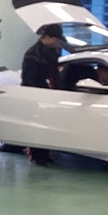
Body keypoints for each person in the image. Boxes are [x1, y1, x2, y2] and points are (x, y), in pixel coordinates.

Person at [22, 23, 64, 166]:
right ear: (46, 37)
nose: (57, 42)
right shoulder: (32, 55)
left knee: (47, 124)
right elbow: (28, 80)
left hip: (48, 92)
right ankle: (36, 155)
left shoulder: (53, 51)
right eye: (55, 39)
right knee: (35, 125)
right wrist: (34, 97)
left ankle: (45, 153)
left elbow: (55, 73)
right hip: (35, 93)